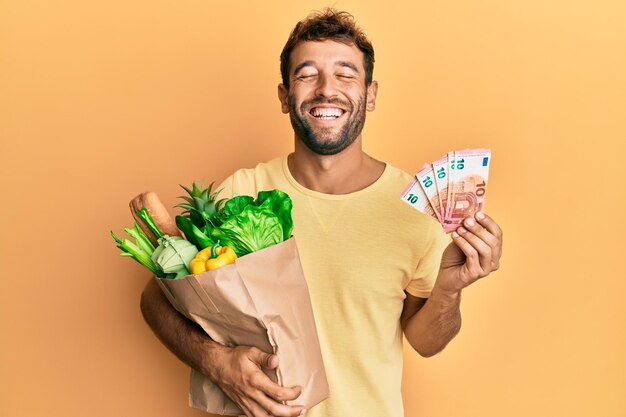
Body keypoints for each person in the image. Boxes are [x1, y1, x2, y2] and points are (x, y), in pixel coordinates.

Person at [140, 8, 503, 417]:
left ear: (371, 94)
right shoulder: (239, 193)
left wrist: (450, 289)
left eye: (346, 74)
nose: (326, 89)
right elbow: (156, 299)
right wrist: (215, 363)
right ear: (284, 96)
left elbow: (426, 341)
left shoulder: (415, 208)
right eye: (306, 74)